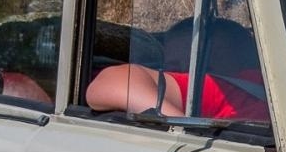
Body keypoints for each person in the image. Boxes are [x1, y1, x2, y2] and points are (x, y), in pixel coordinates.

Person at [85, 17, 268, 122]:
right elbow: (119, 80)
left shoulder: (235, 89)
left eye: (199, 67)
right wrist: (181, 128)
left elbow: (119, 80)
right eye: (172, 69)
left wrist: (181, 130)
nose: (183, 75)